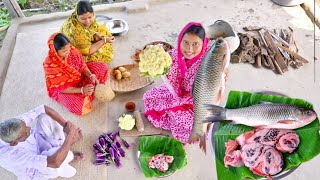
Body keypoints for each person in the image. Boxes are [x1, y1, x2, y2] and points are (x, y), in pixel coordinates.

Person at [143, 22, 209, 143]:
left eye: (195, 44)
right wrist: (157, 57)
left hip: (196, 102)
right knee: (149, 97)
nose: (189, 49)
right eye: (186, 43)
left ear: (203, 44)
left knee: (192, 129)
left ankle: (175, 117)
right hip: (177, 93)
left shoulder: (207, 63)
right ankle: (171, 113)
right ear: (180, 40)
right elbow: (166, 63)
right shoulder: (175, 54)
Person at [0, 105, 84, 180]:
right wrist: (70, 137)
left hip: (38, 142)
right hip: (35, 169)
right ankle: (67, 156)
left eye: (26, 126)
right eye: (26, 132)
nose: (29, 128)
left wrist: (67, 126)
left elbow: (44, 108)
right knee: (56, 158)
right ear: (14, 143)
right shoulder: (11, 156)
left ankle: (64, 151)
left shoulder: (14, 124)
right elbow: (54, 162)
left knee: (45, 117)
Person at [43, 32, 108, 115]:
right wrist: (82, 90)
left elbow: (82, 66)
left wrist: (91, 75)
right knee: (80, 107)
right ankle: (89, 91)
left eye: (69, 48)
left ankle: (89, 90)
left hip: (79, 77)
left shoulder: (72, 51)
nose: (68, 52)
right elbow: (62, 89)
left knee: (102, 67)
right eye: (64, 51)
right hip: (65, 89)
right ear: (55, 51)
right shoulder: (50, 65)